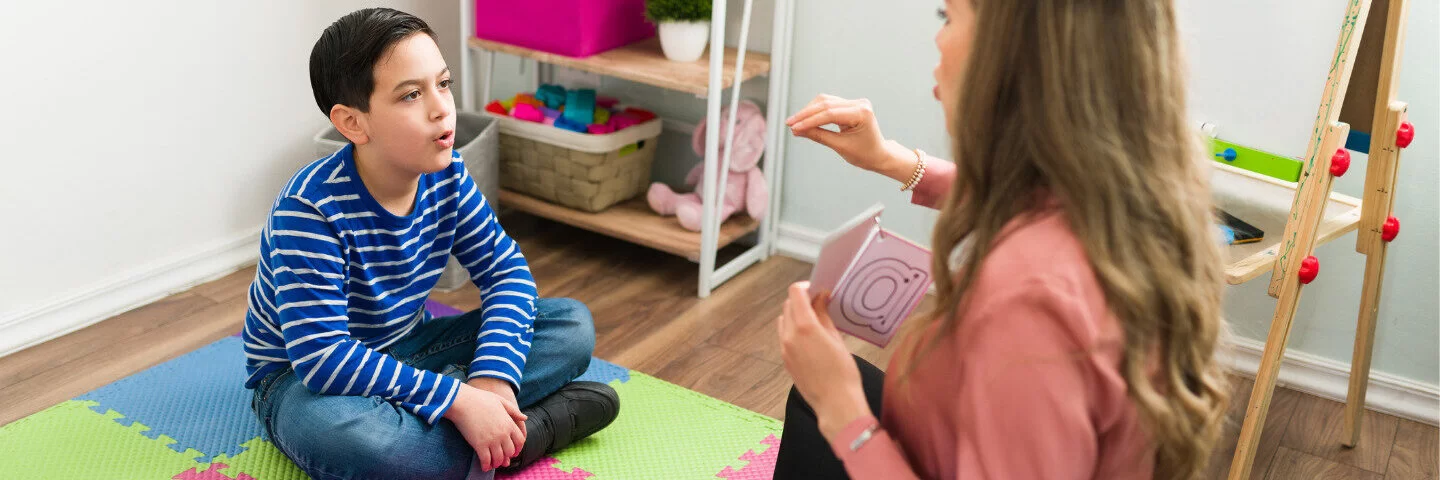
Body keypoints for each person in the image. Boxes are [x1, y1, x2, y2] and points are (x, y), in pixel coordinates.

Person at [772, 0, 1230, 478]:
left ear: (1011, 56)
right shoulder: (1132, 209)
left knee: (822, 399)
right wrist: (889, 159)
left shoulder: (1029, 307)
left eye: (945, 17)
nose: (937, 37)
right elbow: (1030, 202)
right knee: (812, 399)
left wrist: (844, 412)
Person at [241, 8, 618, 479]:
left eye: (444, 83)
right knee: (351, 437)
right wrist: (459, 398)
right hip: (304, 382)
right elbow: (321, 358)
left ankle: (469, 431)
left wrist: (492, 379)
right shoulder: (309, 211)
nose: (441, 107)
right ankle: (526, 434)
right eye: (411, 94)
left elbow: (506, 274)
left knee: (570, 325)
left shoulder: (449, 176)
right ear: (354, 124)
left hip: (409, 346)